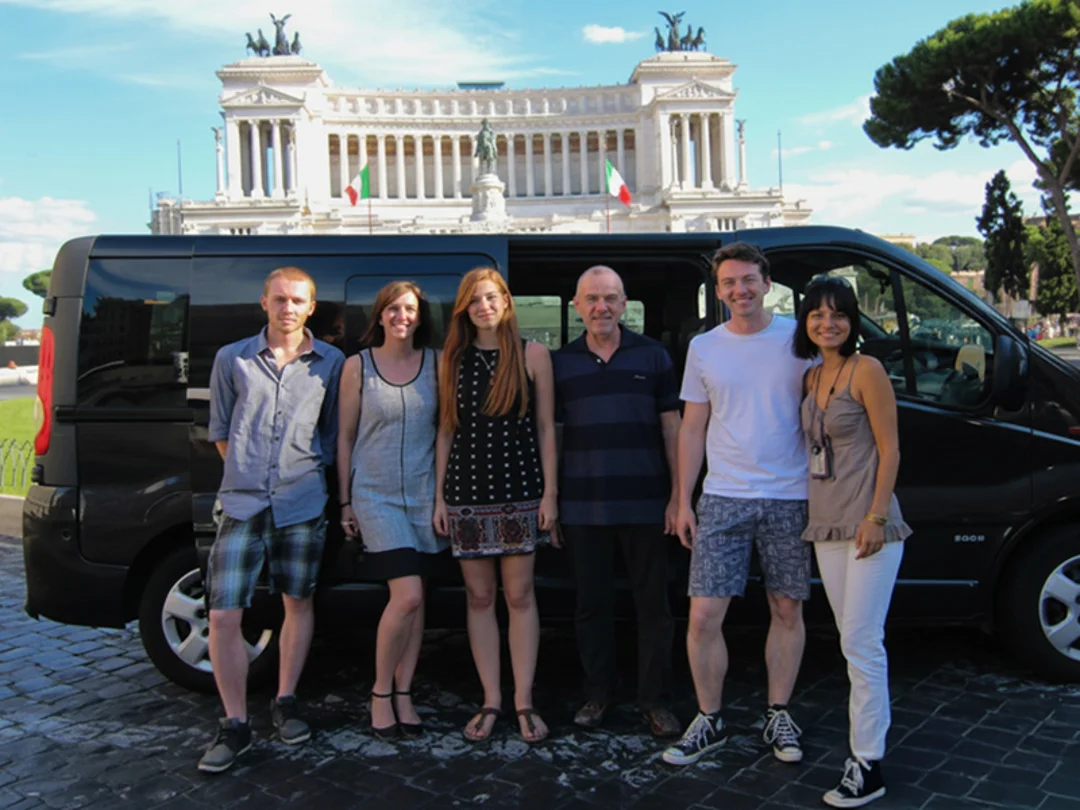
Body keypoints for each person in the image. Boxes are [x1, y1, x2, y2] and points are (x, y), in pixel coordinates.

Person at [663, 242, 813, 767]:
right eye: (729, 283)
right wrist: (683, 498)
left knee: (787, 607)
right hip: (723, 496)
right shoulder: (704, 347)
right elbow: (693, 426)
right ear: (718, 290)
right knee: (703, 615)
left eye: (748, 280)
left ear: (767, 283)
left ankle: (779, 711)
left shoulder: (801, 337)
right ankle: (709, 718)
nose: (739, 290)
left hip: (791, 494)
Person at [199, 267, 345, 774]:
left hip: (303, 502)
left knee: (297, 603)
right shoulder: (231, 359)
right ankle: (235, 723)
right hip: (241, 503)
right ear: (264, 302)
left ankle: (285, 700)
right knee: (223, 613)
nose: (288, 307)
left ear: (311, 307)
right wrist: (247, 470)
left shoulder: (331, 363)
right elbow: (220, 429)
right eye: (280, 298)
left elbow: (332, 437)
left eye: (298, 300)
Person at [793, 276, 911, 807]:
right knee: (849, 641)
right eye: (817, 313)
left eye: (838, 313)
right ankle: (864, 752)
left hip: (869, 525)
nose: (828, 322)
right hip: (827, 525)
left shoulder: (868, 370)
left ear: (853, 319)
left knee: (863, 644)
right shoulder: (812, 376)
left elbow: (890, 450)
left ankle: (868, 763)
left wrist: (877, 516)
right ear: (805, 321)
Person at [553, 266, 681, 738]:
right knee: (591, 608)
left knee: (655, 609)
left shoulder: (653, 355)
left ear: (625, 304)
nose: (601, 307)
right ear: (576, 305)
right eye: (591, 299)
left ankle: (655, 701)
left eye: (610, 298)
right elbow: (552, 435)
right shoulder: (559, 362)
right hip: (583, 506)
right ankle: (597, 694)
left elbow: (673, 428)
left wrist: (677, 496)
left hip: (648, 503)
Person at [433, 267, 559, 744]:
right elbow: (446, 429)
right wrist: (440, 497)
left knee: (520, 596)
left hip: (520, 493)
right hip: (466, 495)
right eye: (474, 300)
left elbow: (546, 429)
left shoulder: (533, 355)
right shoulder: (453, 359)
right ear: (464, 309)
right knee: (480, 599)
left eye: (491, 297)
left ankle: (524, 700)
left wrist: (550, 493)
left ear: (506, 301)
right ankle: (491, 699)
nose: (483, 306)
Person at [337, 281, 447, 739]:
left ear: (420, 317)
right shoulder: (356, 366)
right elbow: (343, 438)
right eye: (394, 309)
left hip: (423, 494)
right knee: (407, 595)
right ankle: (380, 692)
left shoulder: (437, 363)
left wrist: (442, 495)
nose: (403, 316)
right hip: (376, 495)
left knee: (416, 603)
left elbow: (444, 433)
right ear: (379, 316)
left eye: (411, 309)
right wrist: (345, 500)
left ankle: (405, 693)